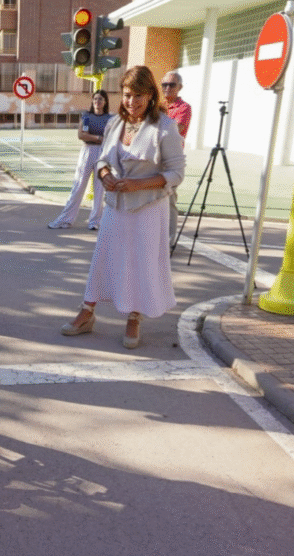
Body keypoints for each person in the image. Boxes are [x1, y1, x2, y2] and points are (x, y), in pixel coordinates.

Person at [60, 66, 186, 349]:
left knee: (139, 262)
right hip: (115, 205)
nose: (132, 102)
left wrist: (136, 185)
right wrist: (105, 176)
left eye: (139, 95)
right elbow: (103, 158)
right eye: (128, 95)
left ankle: (134, 316)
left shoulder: (165, 127)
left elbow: (176, 173)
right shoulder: (115, 123)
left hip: (149, 208)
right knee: (103, 256)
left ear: (151, 95)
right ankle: (87, 311)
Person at [48, 90, 113, 231]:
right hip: (88, 151)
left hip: (103, 153)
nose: (97, 101)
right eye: (95, 99)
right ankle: (65, 220)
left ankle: (95, 222)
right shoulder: (87, 117)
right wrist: (98, 138)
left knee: (99, 189)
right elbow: (81, 135)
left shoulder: (110, 118)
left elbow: (110, 138)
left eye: (100, 99)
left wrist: (94, 137)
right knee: (78, 186)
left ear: (105, 102)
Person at [160, 71, 192, 245]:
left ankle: (169, 240)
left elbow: (175, 130)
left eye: (171, 85)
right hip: (156, 157)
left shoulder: (184, 108)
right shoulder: (159, 106)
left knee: (170, 198)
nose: (167, 88)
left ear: (179, 87)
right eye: (164, 84)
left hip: (171, 159)